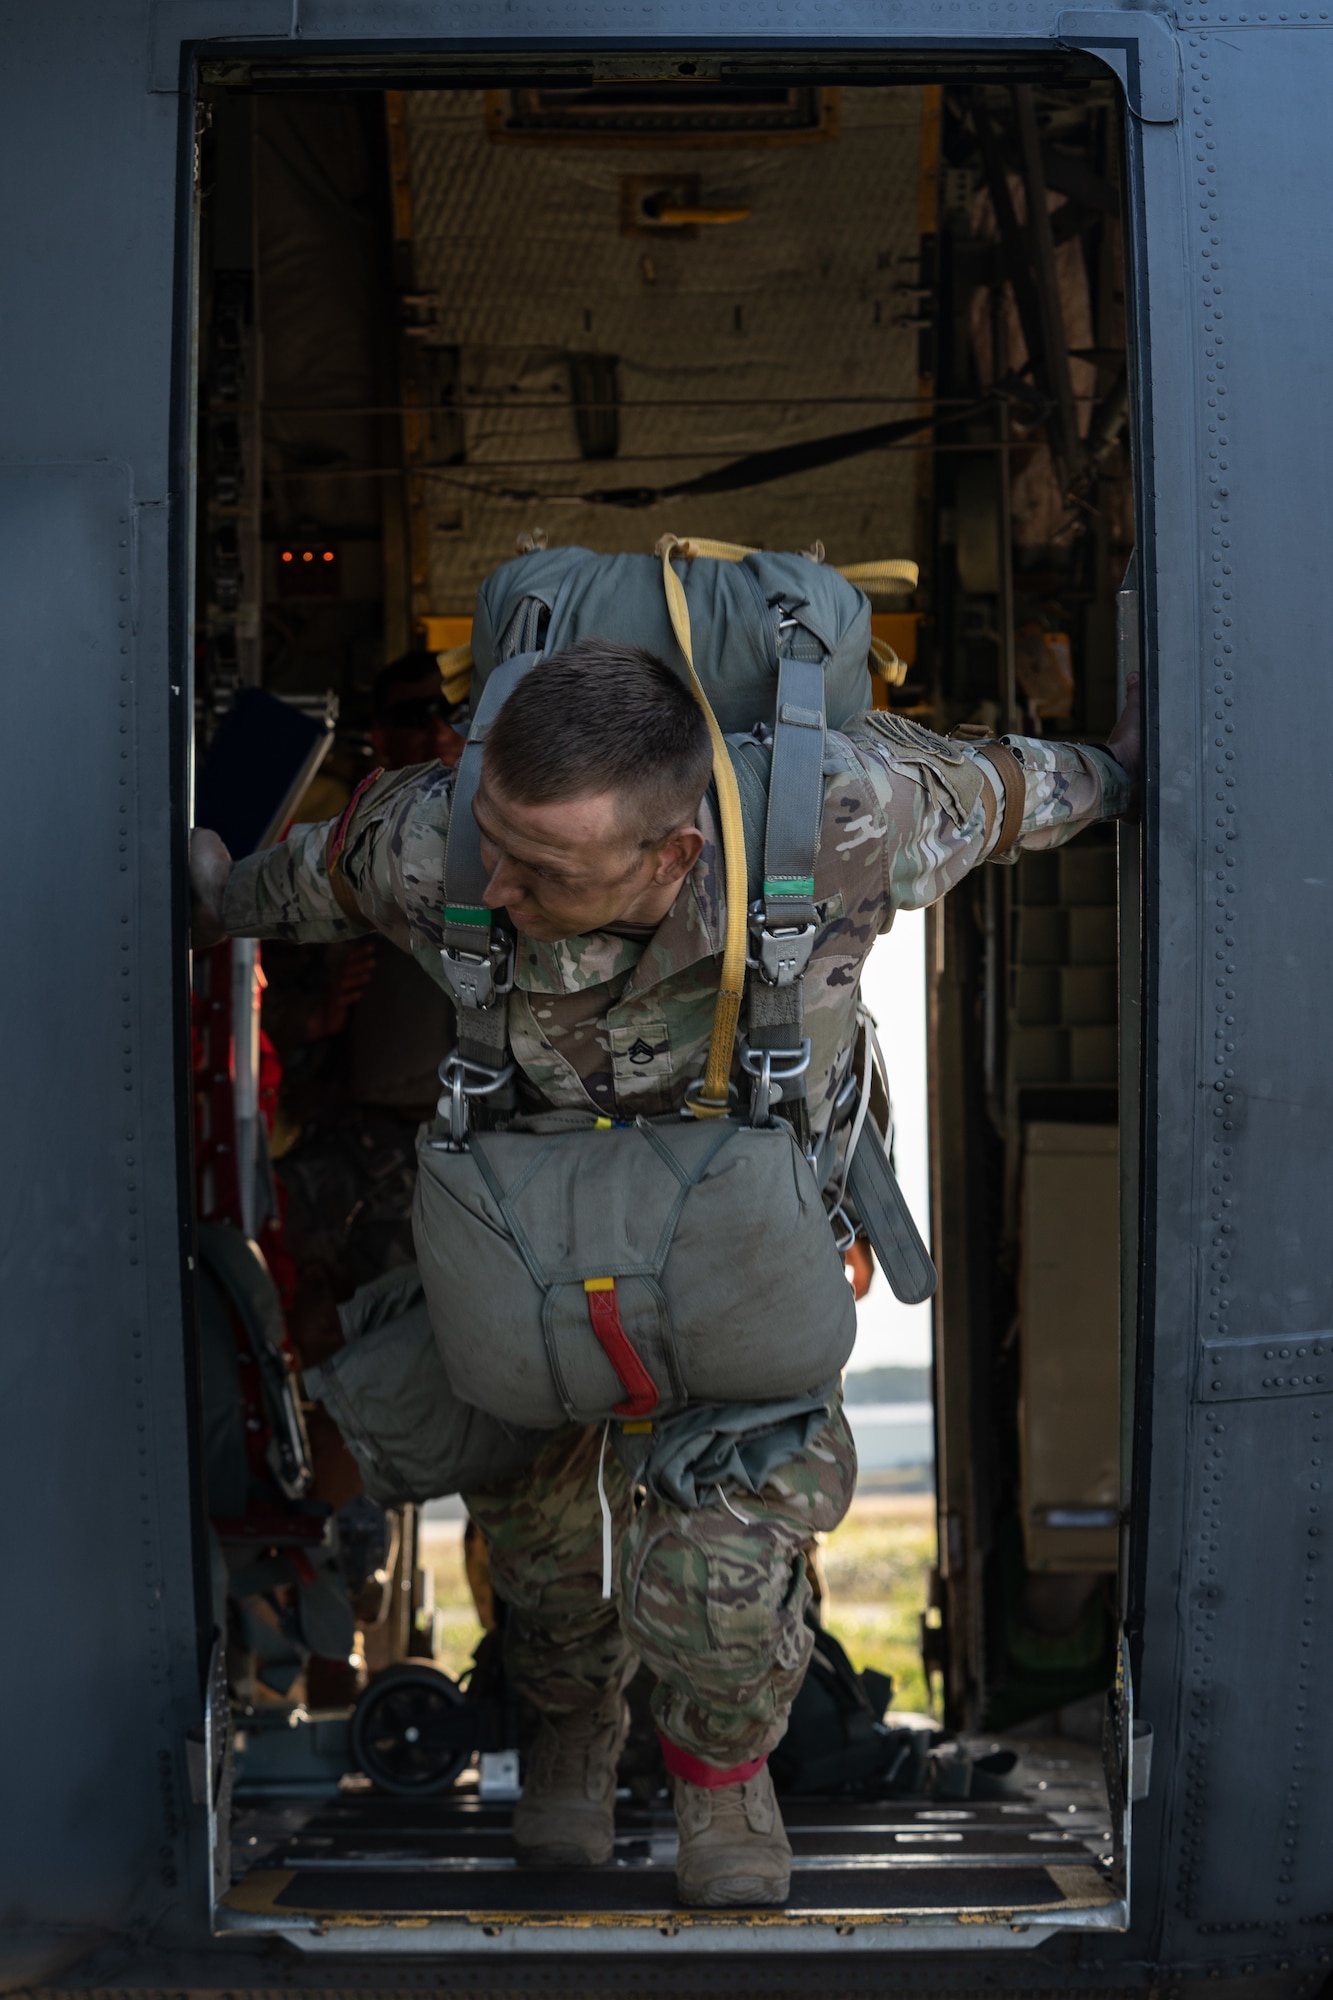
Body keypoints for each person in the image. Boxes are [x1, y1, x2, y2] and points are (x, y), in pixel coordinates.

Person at [192, 643, 1139, 1907]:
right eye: (496, 845)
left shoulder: (844, 822)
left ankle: (719, 1773)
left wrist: (1121, 766)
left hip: (739, 1268)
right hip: (534, 1264)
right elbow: (293, 885)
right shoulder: (438, 843)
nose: (500, 888)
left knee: (710, 1577)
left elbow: (1016, 793)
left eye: (546, 871)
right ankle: (571, 1733)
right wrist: (208, 890)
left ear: (672, 855)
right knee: (537, 1554)